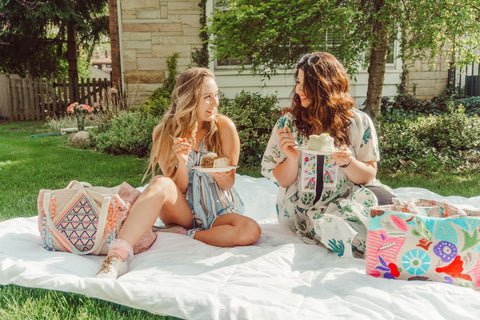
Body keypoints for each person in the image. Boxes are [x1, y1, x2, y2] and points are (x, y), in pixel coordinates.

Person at [96, 67, 262, 278]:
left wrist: (221, 174)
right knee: (160, 182)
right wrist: (182, 163)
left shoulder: (224, 127)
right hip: (183, 211)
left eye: (216, 95)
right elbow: (178, 188)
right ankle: (116, 258)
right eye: (208, 97)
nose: (216, 103)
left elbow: (229, 183)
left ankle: (187, 235)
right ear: (190, 99)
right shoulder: (164, 132)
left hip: (219, 211)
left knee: (251, 230)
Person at [261, 52, 394, 258]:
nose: (298, 90)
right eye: (297, 82)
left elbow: (368, 176)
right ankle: (381, 248)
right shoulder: (288, 124)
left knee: (387, 203)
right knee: (343, 230)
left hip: (349, 200)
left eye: (306, 85)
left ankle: (404, 238)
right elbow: (282, 179)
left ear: (325, 86)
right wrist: (292, 157)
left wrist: (348, 162)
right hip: (306, 212)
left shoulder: (359, 122)